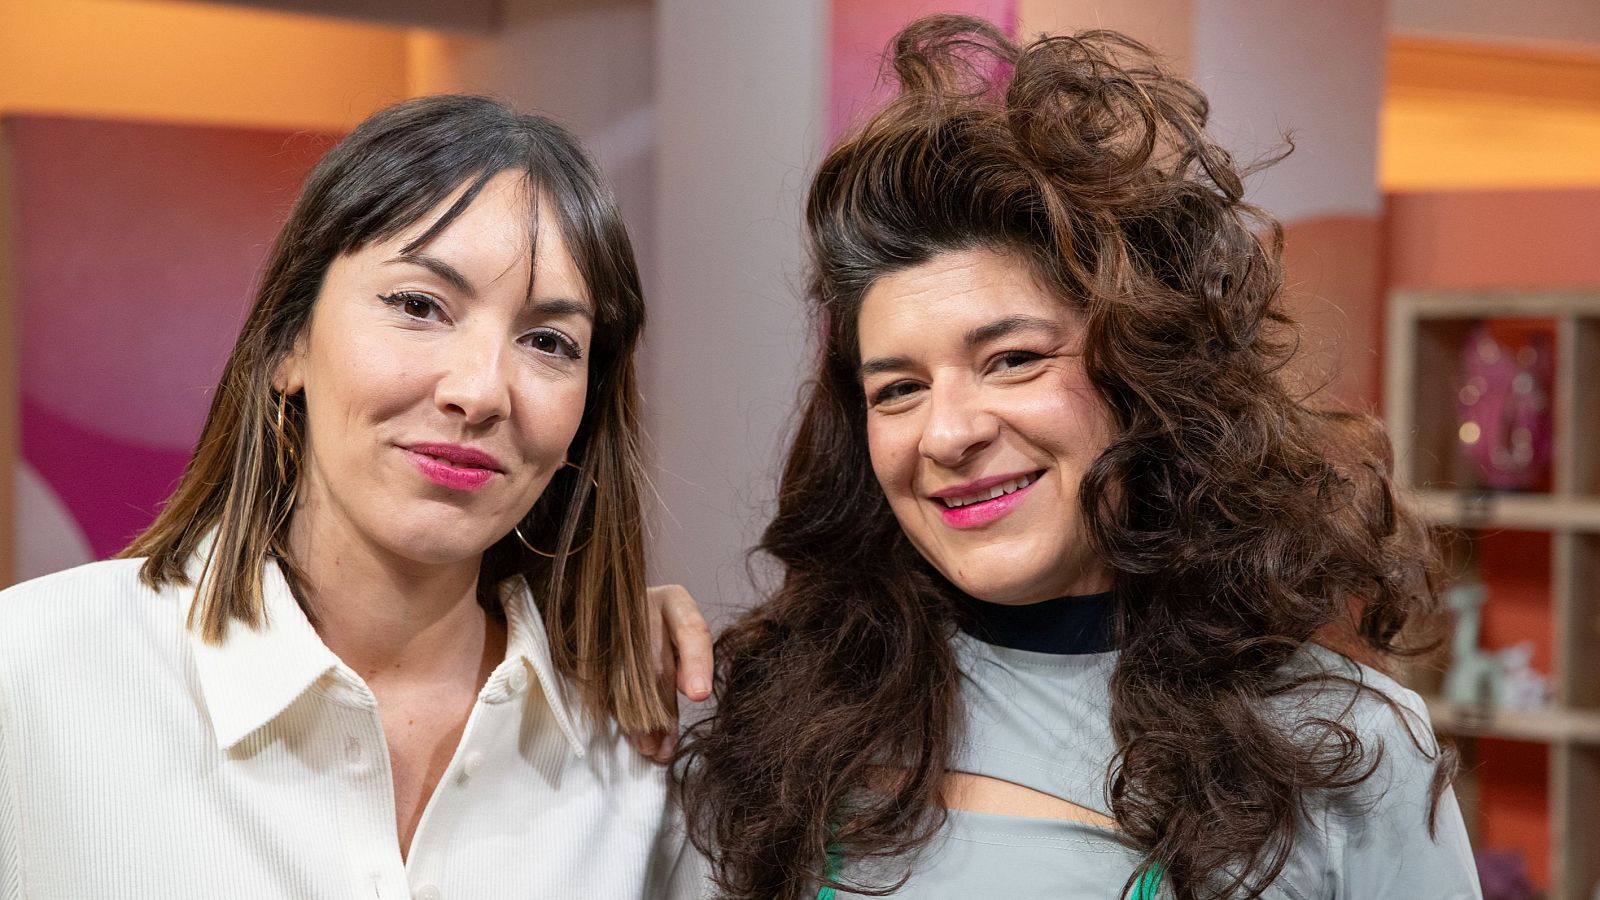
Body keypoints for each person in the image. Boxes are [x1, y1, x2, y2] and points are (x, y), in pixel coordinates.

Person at [677, 16, 1480, 900]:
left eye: (1013, 359)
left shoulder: (1343, 747)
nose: (948, 434)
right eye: (897, 388)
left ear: (1144, 376)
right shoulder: (781, 718)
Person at [0, 95, 709, 898]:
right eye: (418, 305)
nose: (479, 391)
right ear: (287, 343)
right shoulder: (31, 675)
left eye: (549, 342)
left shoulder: (638, 743)